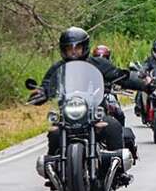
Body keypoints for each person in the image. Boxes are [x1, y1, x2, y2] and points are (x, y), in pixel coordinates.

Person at [29, 27, 149, 178]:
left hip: (95, 112)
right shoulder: (58, 68)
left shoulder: (98, 63)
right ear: (63, 50)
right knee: (55, 133)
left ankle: (118, 170)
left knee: (112, 125)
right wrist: (41, 93)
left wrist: (142, 84)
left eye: (77, 48)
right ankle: (55, 169)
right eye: (69, 48)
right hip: (69, 114)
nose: (73, 52)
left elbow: (117, 75)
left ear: (84, 47)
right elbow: (47, 84)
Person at [93, 45, 140, 163]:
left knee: (117, 111)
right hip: (89, 101)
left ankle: (119, 146)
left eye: (104, 57)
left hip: (106, 96)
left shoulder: (110, 69)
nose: (101, 59)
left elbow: (119, 76)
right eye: (98, 57)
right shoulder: (86, 70)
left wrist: (122, 83)